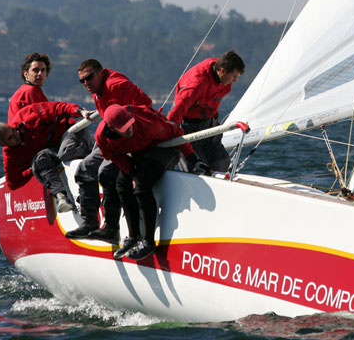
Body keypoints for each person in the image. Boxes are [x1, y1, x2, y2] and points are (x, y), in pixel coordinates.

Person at [96, 104, 207, 260]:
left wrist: (192, 158)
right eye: (124, 128)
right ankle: (134, 236)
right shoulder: (102, 136)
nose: (129, 129)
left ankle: (148, 241)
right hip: (140, 153)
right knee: (122, 184)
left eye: (130, 124)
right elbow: (113, 155)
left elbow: (177, 133)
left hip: (165, 149)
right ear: (112, 128)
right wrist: (132, 172)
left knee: (142, 186)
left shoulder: (148, 124)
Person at [66, 59, 153, 244]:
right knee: (84, 168)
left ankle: (111, 228)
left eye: (89, 77)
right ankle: (90, 222)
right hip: (111, 138)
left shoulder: (116, 85)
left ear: (100, 72)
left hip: (128, 139)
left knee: (105, 171)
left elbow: (146, 104)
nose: (86, 83)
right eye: (82, 81)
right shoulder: (97, 90)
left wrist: (130, 133)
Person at [0, 102, 92, 213]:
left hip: (70, 132)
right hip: (54, 151)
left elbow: (57, 107)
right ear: (3, 144)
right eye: (11, 138)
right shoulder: (10, 155)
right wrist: (33, 169)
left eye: (13, 130)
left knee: (65, 153)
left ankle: (96, 155)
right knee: (39, 160)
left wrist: (80, 111)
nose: (17, 134)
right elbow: (13, 182)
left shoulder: (26, 115)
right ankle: (61, 198)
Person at [167, 50, 244, 172]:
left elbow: (214, 103)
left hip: (208, 125)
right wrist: (170, 134)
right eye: (234, 76)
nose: (235, 81)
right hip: (188, 127)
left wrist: (216, 123)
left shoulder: (224, 79)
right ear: (222, 71)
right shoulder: (195, 84)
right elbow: (176, 112)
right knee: (198, 169)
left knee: (222, 165)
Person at [8, 53, 51, 122]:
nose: (40, 73)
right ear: (26, 74)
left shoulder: (24, 90)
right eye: (35, 70)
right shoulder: (30, 91)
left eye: (43, 70)